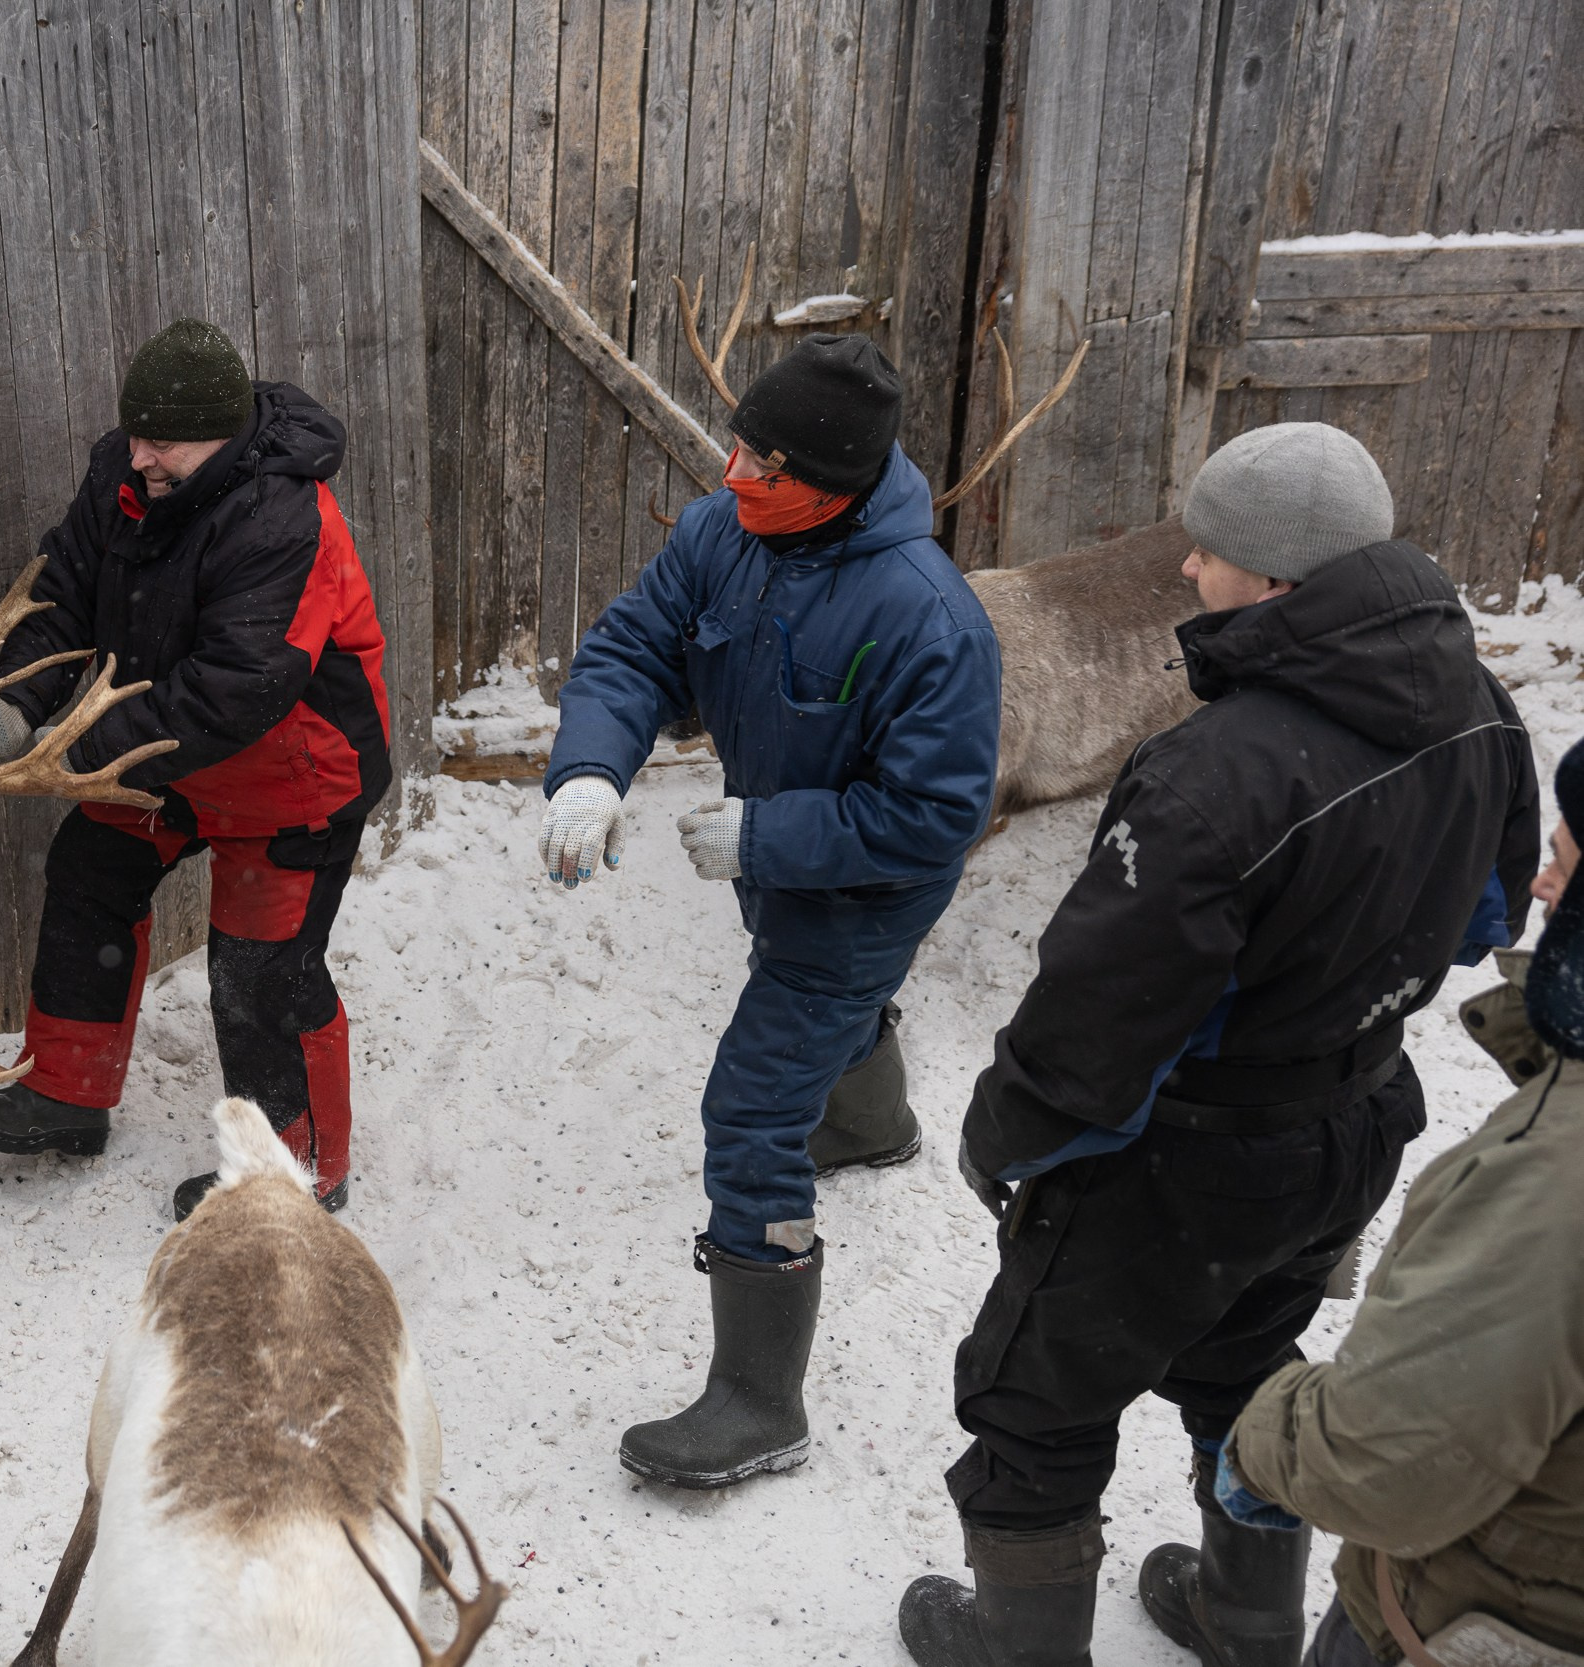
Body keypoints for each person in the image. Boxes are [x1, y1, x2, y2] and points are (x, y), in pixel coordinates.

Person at [898, 421, 1540, 1667]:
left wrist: (1006, 1135)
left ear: (1281, 579)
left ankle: (1019, 1644)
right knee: (1249, 1362)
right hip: (1352, 1122)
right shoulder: (1482, 707)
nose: (1186, 572)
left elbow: (1096, 1019)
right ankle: (1245, 1622)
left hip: (1182, 1158)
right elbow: (1484, 917)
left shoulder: (1209, 776)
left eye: (1211, 554)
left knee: (1031, 1399)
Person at [538, 333, 1004, 1489]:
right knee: (808, 1002)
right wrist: (593, 766)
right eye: (738, 447)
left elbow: (936, 813)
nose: (735, 474)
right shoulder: (721, 533)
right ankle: (866, 1120)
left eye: (768, 466)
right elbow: (634, 648)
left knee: (751, 1109)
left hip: (865, 889)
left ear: (836, 485)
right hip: (787, 871)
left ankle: (758, 1400)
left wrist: (771, 835)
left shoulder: (926, 617)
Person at [0, 319, 390, 1221]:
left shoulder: (284, 517)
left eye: (164, 443)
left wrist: (68, 751)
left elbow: (234, 689)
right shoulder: (125, 473)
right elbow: (65, 592)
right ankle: (65, 1095)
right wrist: (19, 703)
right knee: (88, 876)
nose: (140, 456)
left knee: (260, 971)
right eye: (135, 433)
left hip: (293, 774)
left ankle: (291, 1169)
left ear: (221, 436)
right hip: (163, 755)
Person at [1220, 739, 1583, 1667]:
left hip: (1480, 1624)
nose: (1542, 887)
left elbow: (1393, 1460)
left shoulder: (1554, 1176)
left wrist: (1264, 1437)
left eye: (1567, 860)